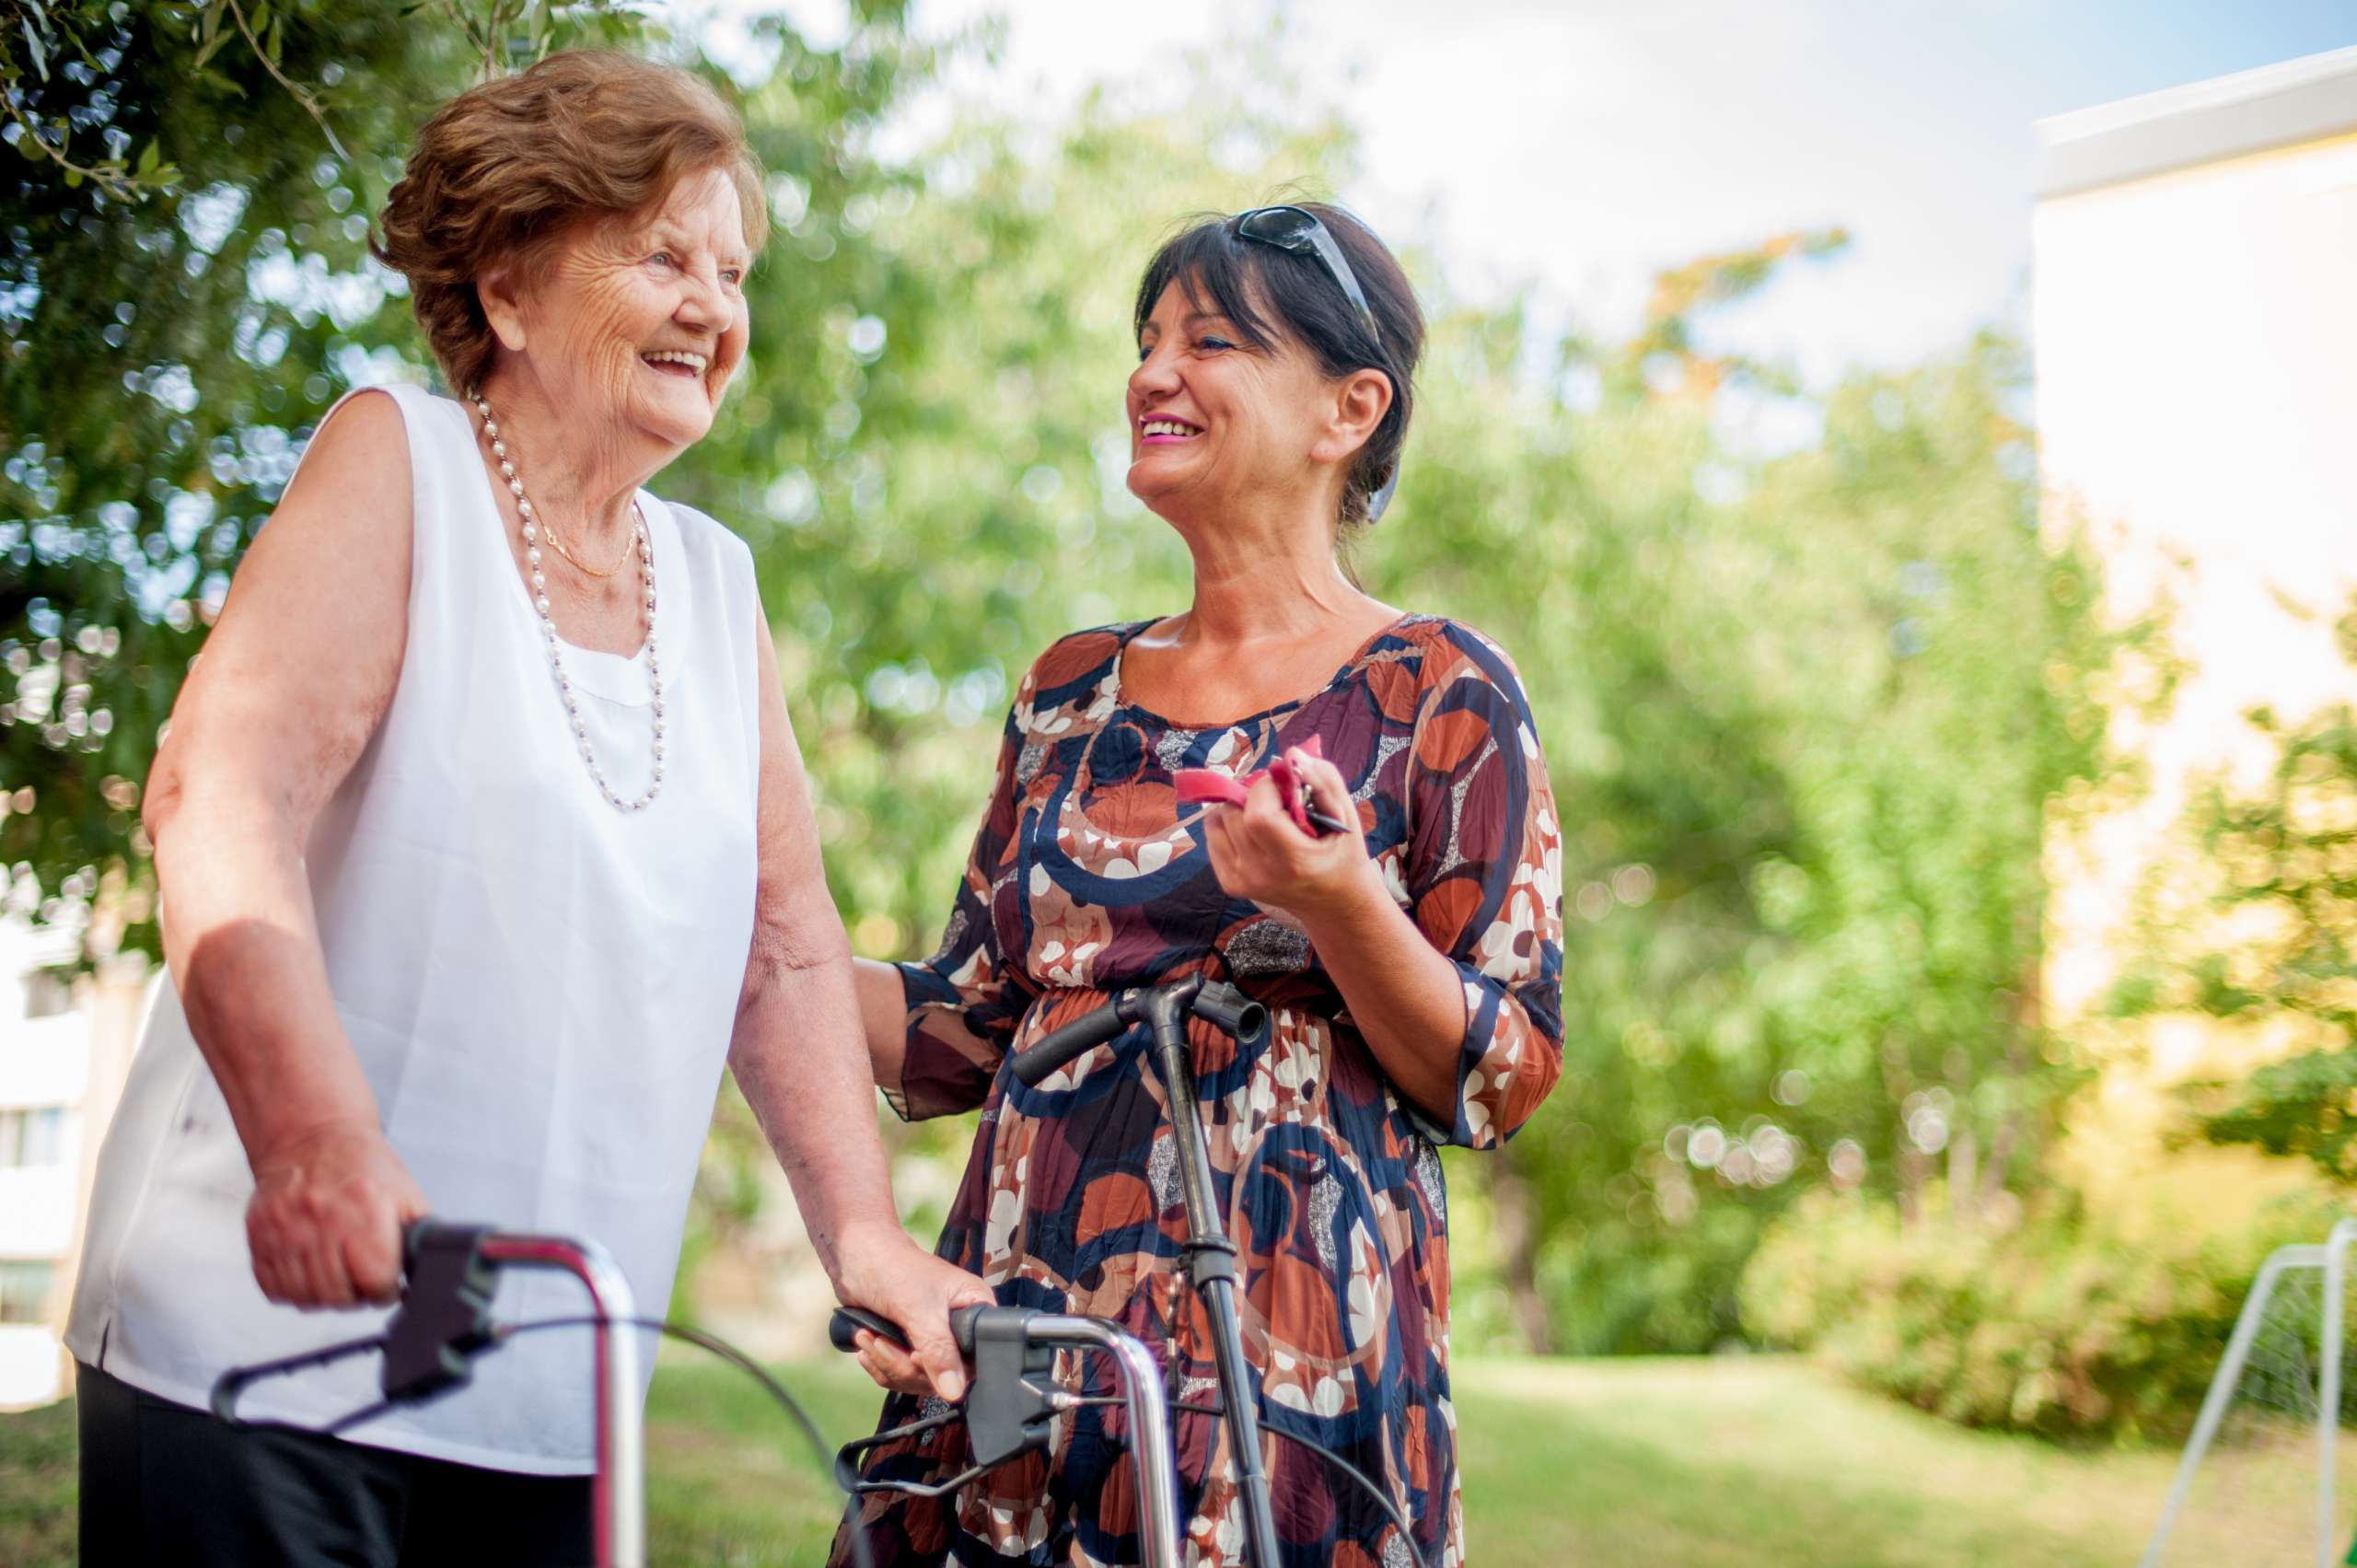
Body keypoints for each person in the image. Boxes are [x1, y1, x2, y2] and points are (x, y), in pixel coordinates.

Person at [64, 51, 984, 1566]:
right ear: (506, 288)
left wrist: (865, 1238)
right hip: (261, 1348)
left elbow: (784, 948)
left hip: (551, 1377)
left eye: (733, 268)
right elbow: (220, 790)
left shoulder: (713, 581)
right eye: (662, 254)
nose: (714, 304)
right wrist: (308, 1139)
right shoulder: (397, 461)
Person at [833, 203, 1565, 1568]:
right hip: (1019, 1345)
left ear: (1350, 408)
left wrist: (1347, 906)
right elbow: (961, 1032)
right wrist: (760, 947)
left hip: (1289, 1378)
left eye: (1211, 341)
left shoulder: (1440, 692)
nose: (1153, 374)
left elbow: (1503, 1069)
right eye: (1147, 340)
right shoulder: (1069, 689)